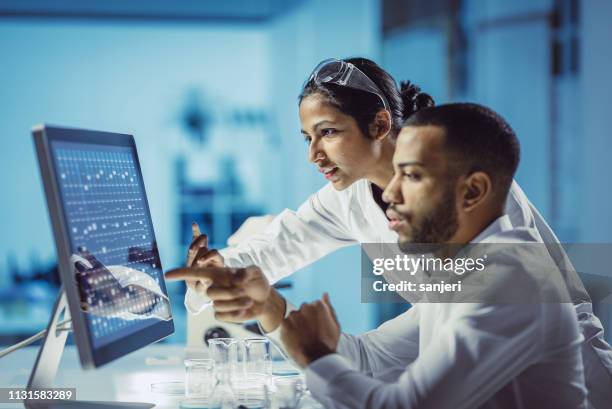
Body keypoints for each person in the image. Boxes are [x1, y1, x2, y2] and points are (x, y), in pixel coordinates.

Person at [177, 58, 612, 406]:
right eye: (307, 137)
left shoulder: (490, 247)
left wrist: (313, 352)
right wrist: (232, 284)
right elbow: (272, 257)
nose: (314, 155)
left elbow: (500, 293)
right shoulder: (353, 201)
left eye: (327, 133)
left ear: (381, 125)